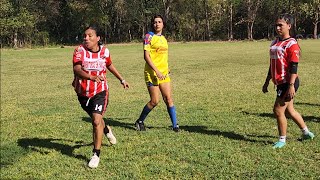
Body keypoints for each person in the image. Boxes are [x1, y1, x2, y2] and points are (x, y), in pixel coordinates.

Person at [72, 24, 129, 168]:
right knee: (96, 119)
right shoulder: (79, 51)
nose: (86, 38)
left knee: (96, 121)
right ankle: (107, 130)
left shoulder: (105, 52)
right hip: (82, 93)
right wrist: (90, 77)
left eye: (90, 35)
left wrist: (121, 79)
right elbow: (77, 68)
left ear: (98, 38)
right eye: (85, 35)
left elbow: (109, 65)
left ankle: (96, 154)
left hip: (100, 91)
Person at [262, 13, 315, 149]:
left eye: (281, 25)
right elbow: (272, 64)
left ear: (289, 26)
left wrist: (291, 85)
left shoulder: (292, 44)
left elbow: (294, 67)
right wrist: (267, 81)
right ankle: (306, 133)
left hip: (288, 82)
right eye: (276, 25)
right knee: (289, 111)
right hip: (280, 82)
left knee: (278, 111)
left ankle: (282, 140)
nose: (278, 27)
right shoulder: (275, 42)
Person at [135, 14, 179, 132]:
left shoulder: (164, 39)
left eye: (159, 22)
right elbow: (146, 56)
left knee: (168, 99)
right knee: (155, 101)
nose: (157, 24)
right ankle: (140, 121)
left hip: (164, 73)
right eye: (155, 22)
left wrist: (166, 69)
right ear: (152, 24)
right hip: (152, 73)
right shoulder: (149, 36)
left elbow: (163, 56)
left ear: (163, 24)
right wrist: (157, 71)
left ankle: (175, 126)